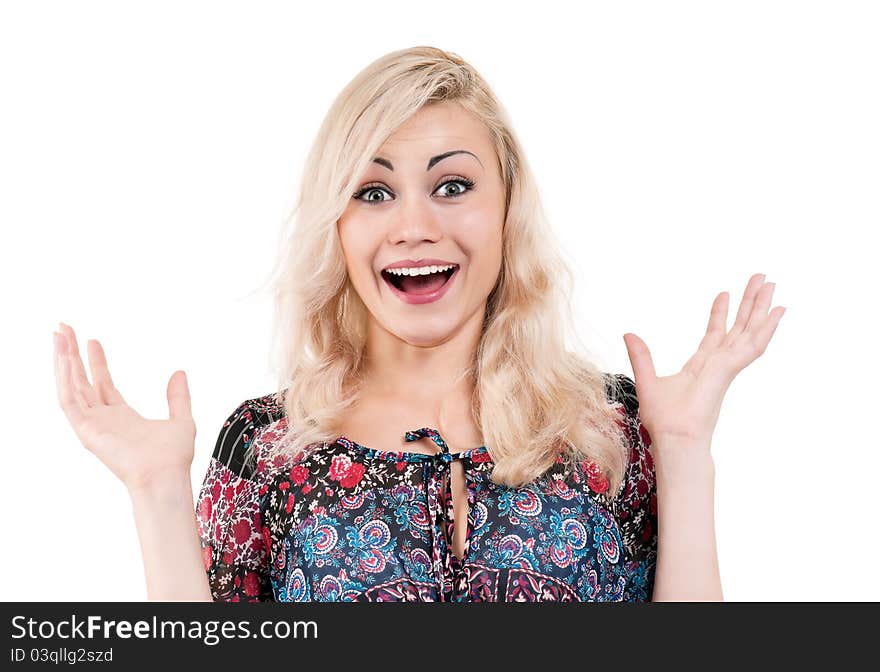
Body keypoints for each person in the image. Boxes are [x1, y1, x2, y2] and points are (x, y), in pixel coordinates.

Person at [52, 46, 784, 602]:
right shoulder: (270, 447)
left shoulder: (612, 427)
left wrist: (684, 450)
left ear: (506, 210)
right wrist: (154, 492)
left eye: (452, 185)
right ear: (335, 224)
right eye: (373, 191)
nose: (413, 226)